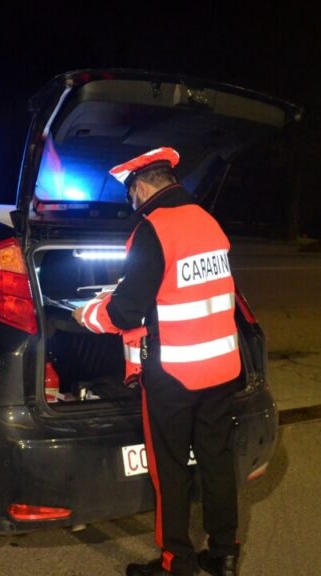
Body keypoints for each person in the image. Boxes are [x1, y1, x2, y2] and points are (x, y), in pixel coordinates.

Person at [72, 147, 243, 576]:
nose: (133, 205)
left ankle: (176, 564)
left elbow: (125, 313)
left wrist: (84, 315)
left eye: (131, 196)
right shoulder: (209, 222)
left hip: (175, 374)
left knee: (170, 470)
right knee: (218, 462)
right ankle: (224, 555)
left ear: (142, 186)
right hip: (222, 367)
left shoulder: (153, 230)